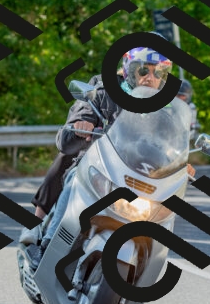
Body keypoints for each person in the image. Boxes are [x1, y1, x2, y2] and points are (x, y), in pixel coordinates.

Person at [22, 34, 195, 269]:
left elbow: (171, 144)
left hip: (137, 178)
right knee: (73, 177)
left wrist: (180, 163)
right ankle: (47, 245)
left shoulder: (167, 110)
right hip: (100, 167)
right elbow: (82, 113)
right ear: (129, 69)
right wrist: (82, 124)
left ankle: (148, 264)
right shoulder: (104, 90)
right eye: (143, 70)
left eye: (158, 73)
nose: (150, 78)